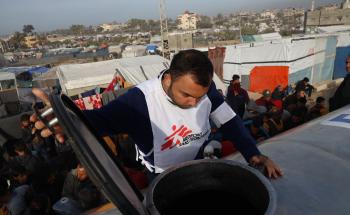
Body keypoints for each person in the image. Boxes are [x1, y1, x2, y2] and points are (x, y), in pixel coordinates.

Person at [31, 49, 282, 179]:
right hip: (160, 174)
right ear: (169, 77)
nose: (195, 103)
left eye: (200, 96)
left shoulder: (208, 94)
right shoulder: (138, 102)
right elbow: (96, 122)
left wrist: (254, 154)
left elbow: (232, 124)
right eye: (186, 95)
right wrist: (64, 120)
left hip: (195, 164)